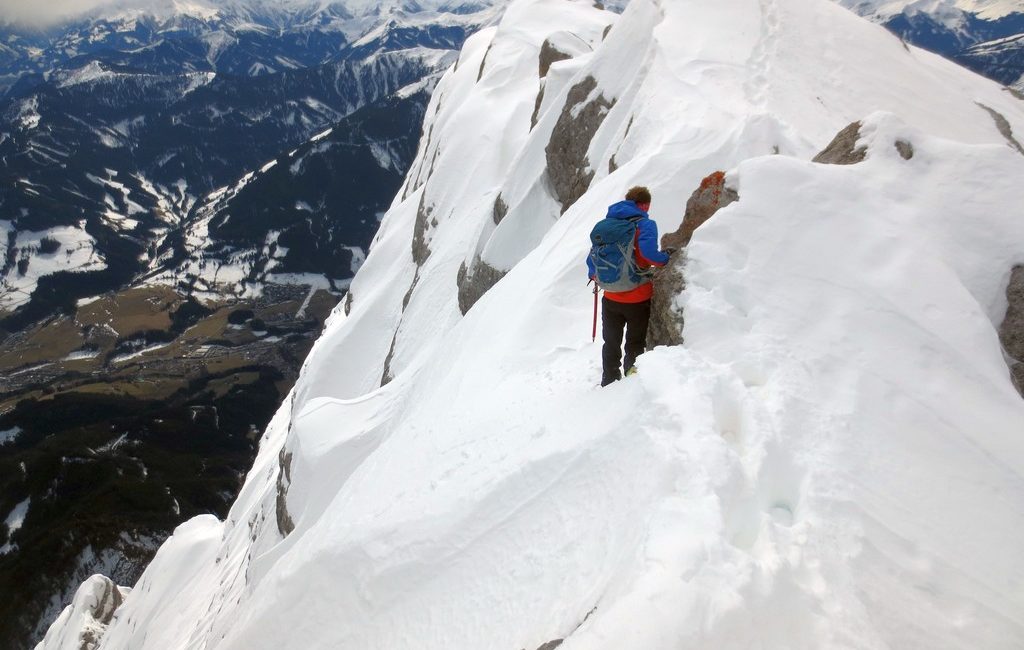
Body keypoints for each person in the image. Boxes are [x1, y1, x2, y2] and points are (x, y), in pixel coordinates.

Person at [586, 186, 670, 386]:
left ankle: (609, 380)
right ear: (644, 204)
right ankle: (631, 382)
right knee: (635, 342)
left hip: (610, 297)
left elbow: (592, 260)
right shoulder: (645, 224)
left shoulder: (606, 225)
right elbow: (649, 255)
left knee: (611, 342)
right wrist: (666, 258)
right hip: (637, 296)